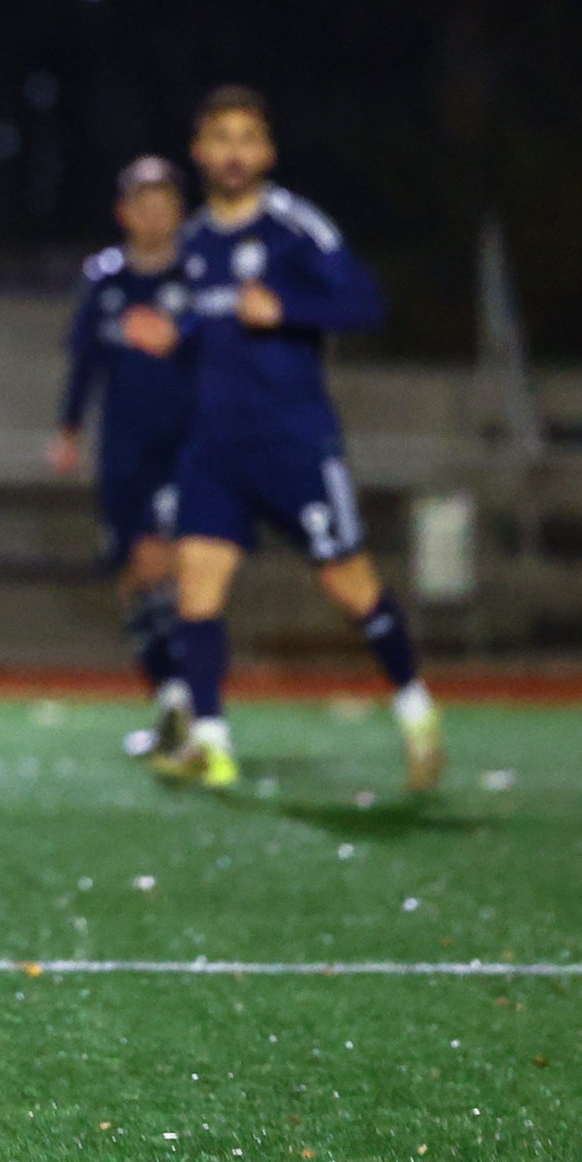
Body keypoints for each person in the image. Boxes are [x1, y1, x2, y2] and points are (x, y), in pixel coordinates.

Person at [152, 85, 443, 792]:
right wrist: (174, 336)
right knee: (196, 589)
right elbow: (203, 329)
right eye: (220, 137)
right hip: (215, 449)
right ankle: (212, 744)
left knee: (351, 588)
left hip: (294, 443)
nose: (233, 151)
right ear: (199, 151)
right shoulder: (190, 242)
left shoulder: (294, 227)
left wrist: (288, 309)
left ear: (268, 152)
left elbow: (366, 302)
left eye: (247, 138)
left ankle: (416, 708)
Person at [50, 156, 196, 756]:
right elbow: (85, 361)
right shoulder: (106, 278)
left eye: (164, 201)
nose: (154, 213)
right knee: (132, 579)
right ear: (124, 213)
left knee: (164, 564)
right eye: (143, 202)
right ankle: (172, 699)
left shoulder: (197, 278)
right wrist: (69, 428)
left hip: (186, 448)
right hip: (123, 452)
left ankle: (192, 700)